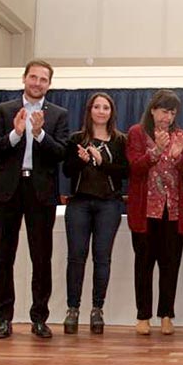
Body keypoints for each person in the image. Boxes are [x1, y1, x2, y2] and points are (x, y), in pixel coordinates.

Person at [0, 59, 69, 339]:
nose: (37, 83)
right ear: (24, 79)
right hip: (7, 191)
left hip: (41, 193)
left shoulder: (58, 115)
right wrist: (16, 133)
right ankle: (3, 318)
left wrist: (39, 133)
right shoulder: (5, 110)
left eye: (43, 79)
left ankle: (39, 318)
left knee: (41, 258)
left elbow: (60, 153)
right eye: (33, 77)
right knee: (3, 257)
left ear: (49, 84)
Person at [127, 89, 183, 335]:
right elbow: (134, 167)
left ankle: (167, 314)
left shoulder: (182, 136)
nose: (168, 117)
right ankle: (142, 316)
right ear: (153, 110)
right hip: (145, 211)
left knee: (170, 265)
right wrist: (156, 151)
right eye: (164, 111)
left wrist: (177, 157)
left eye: (172, 112)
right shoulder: (137, 133)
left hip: (173, 212)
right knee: (143, 265)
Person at [61, 92, 128, 335]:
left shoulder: (121, 140)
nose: (101, 111)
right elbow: (67, 172)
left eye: (106, 107)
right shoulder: (76, 139)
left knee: (102, 259)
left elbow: (124, 173)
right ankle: (73, 309)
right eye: (97, 107)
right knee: (76, 258)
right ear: (89, 110)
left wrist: (101, 162)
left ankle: (97, 309)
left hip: (108, 205)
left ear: (111, 113)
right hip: (79, 204)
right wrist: (81, 161)